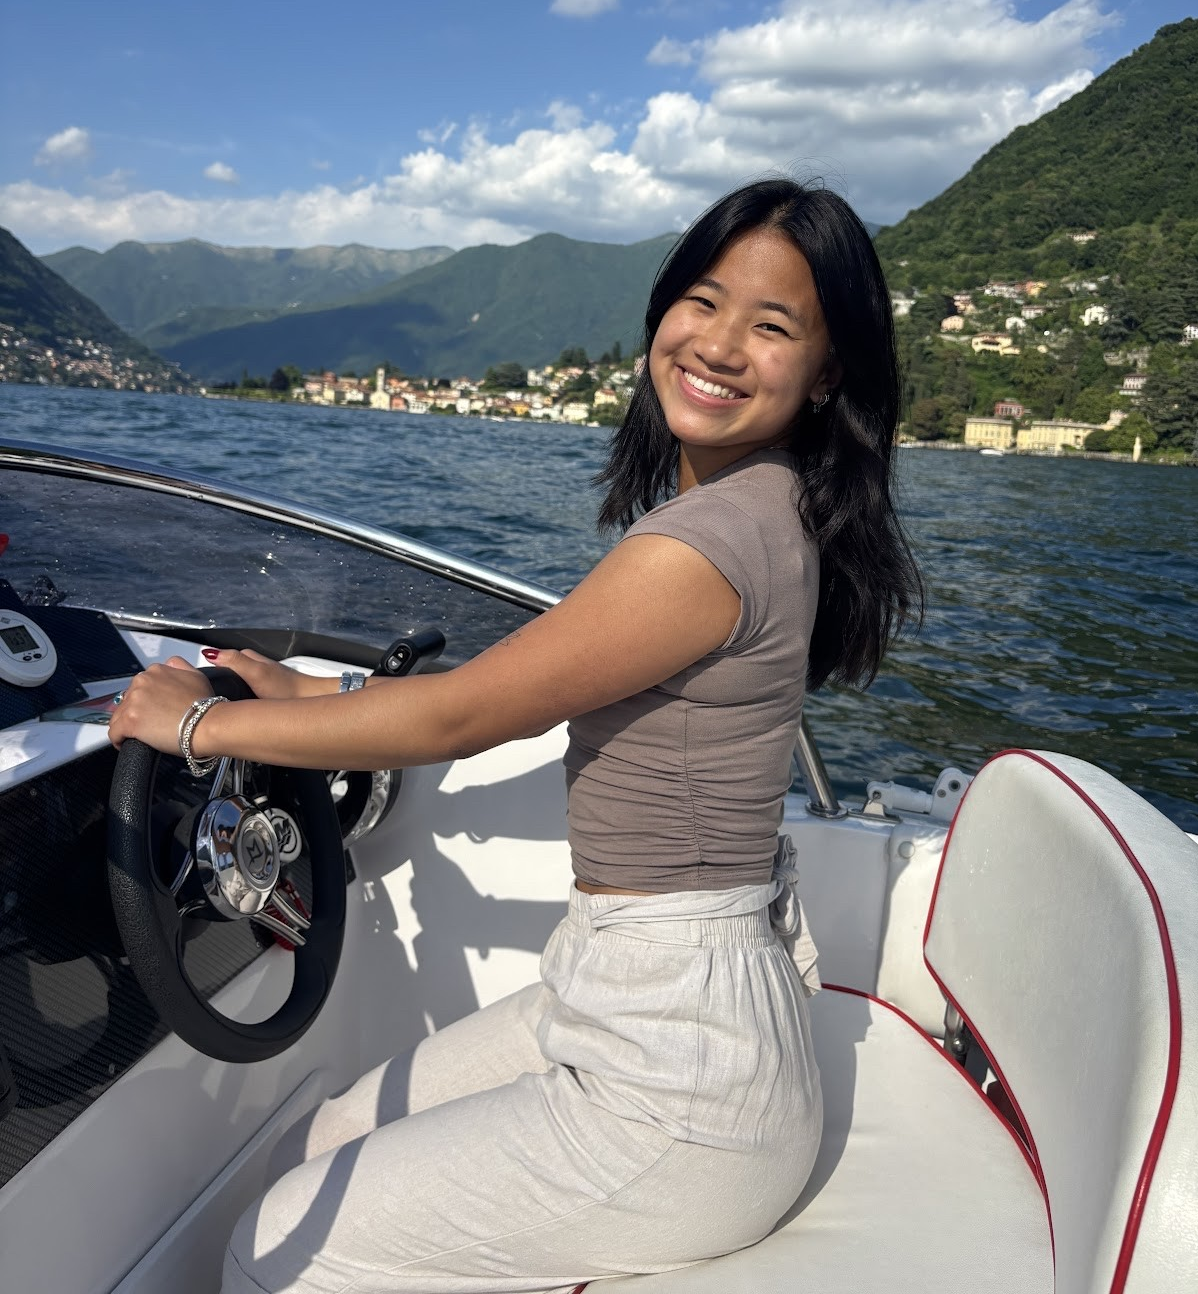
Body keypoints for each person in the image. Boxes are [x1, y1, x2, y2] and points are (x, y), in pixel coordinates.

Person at [109, 177, 923, 1294]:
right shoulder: (772, 506)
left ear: (827, 372)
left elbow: (466, 716)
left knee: (276, 1251)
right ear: (661, 310)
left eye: (773, 326)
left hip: (685, 1079)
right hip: (654, 998)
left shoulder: (708, 544)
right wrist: (302, 701)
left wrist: (203, 722)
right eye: (704, 300)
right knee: (324, 1135)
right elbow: (522, 676)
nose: (721, 345)